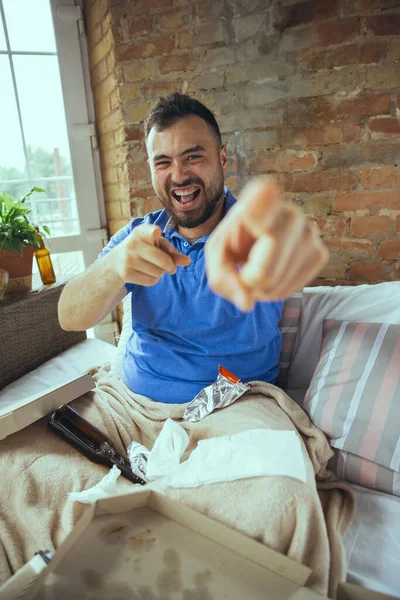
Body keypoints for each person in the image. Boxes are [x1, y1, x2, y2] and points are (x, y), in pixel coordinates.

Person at [58, 93, 327, 404]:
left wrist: (289, 240)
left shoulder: (253, 232)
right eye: (163, 162)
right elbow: (70, 318)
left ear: (222, 158)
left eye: (193, 157)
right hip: (133, 406)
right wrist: (113, 266)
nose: (179, 174)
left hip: (237, 408)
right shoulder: (137, 236)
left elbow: (287, 241)